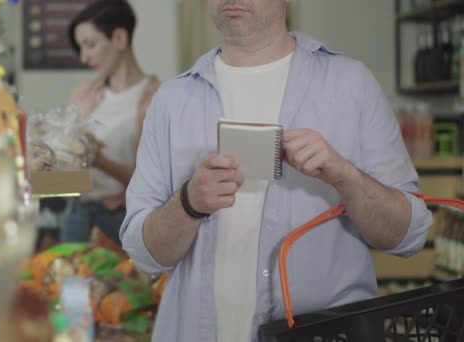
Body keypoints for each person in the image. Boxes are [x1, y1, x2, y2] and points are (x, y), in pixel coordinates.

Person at [120, 0, 433, 341]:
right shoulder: (171, 101)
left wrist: (346, 176)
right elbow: (144, 255)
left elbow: (409, 236)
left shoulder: (352, 85)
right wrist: (188, 203)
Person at [61, 0, 160, 246]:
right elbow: (70, 179)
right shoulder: (82, 95)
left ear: (119, 38)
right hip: (76, 216)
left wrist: (99, 161)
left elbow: (150, 181)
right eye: (80, 47)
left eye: (90, 45)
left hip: (122, 221)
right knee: (68, 282)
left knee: (121, 284)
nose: (84, 57)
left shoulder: (158, 100)